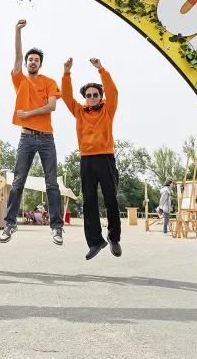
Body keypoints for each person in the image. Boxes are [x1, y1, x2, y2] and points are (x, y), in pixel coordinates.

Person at [0, 20, 64, 246]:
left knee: (52, 184)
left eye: (36, 60)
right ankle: (10, 223)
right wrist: (16, 31)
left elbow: (52, 106)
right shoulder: (20, 80)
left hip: (46, 138)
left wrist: (28, 113)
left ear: (41, 64)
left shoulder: (49, 82)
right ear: (26, 63)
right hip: (26, 138)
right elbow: (17, 55)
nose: (32, 62)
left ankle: (56, 227)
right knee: (18, 182)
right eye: (30, 60)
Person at [60, 56, 121, 260]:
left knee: (111, 198)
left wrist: (101, 69)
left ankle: (114, 238)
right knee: (89, 201)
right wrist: (66, 73)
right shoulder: (79, 111)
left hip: (105, 158)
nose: (92, 97)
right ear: (85, 97)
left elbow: (113, 91)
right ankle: (95, 241)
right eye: (89, 95)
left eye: (95, 94)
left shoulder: (108, 110)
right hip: (87, 159)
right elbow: (67, 96)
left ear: (100, 96)